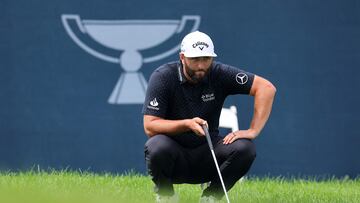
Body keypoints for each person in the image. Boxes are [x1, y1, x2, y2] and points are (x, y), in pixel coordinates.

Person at [142, 31, 276, 203]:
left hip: (209, 154)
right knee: (156, 146)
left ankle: (211, 196)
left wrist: (253, 130)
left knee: (245, 148)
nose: (201, 66)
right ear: (182, 57)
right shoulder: (163, 77)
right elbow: (150, 126)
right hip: (174, 156)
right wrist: (187, 124)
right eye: (195, 59)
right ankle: (166, 195)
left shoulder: (218, 73)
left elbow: (266, 88)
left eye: (206, 59)